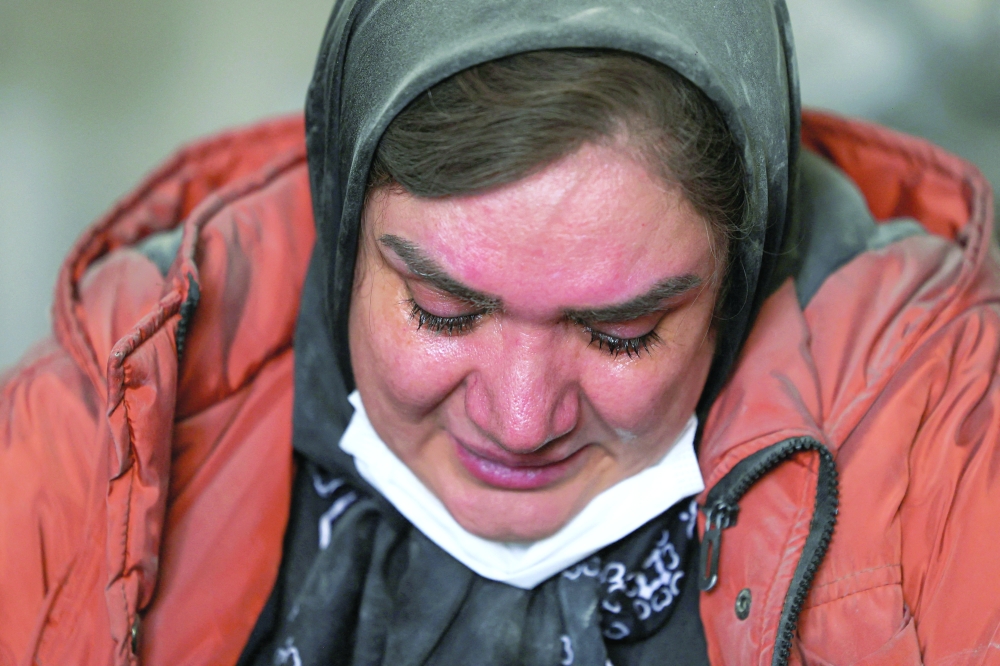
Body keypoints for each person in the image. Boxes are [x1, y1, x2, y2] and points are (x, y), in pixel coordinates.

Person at [1, 0, 998, 664]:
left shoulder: (946, 466)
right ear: (344, 235)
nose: (519, 422)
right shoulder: (87, 449)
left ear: (742, 277)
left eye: (622, 334)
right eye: (442, 311)